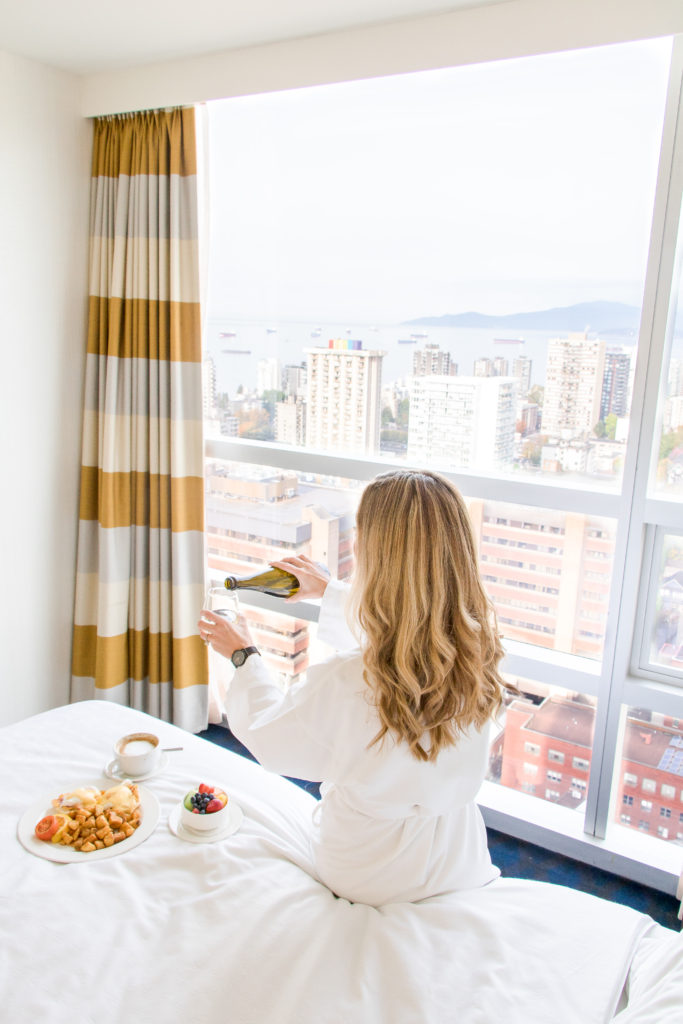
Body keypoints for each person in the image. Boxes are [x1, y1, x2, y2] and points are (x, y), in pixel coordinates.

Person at [197, 469, 511, 906]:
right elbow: (405, 643)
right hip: (457, 859)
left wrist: (243, 656)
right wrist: (330, 593)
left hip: (368, 869)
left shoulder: (348, 682)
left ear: (378, 556)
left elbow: (272, 740)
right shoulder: (483, 656)